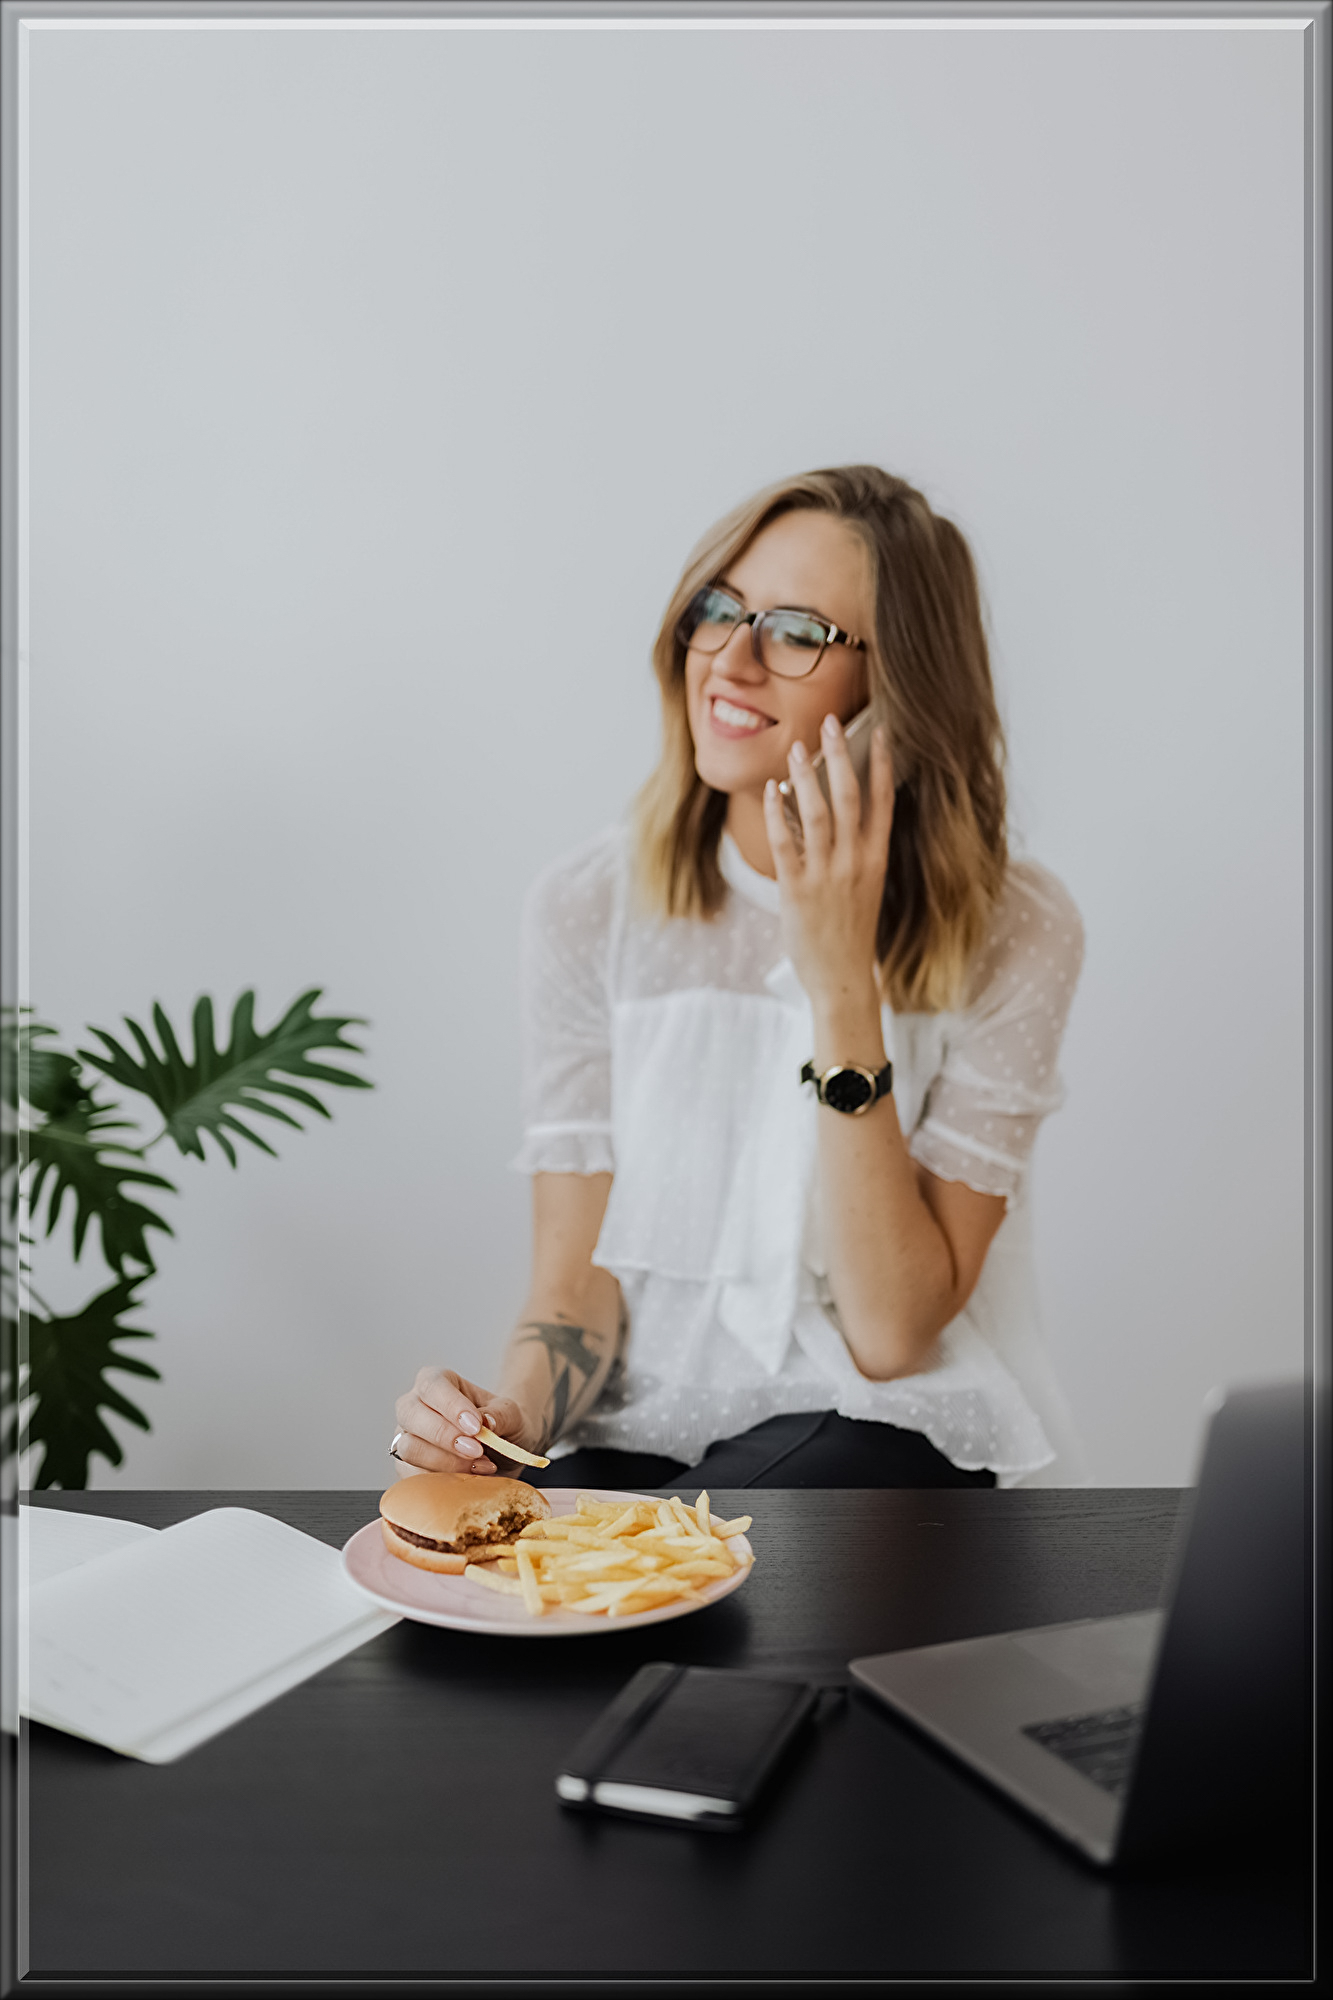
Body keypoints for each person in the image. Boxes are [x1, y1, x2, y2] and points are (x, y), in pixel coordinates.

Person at [390, 465, 1087, 1491]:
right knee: (515, 1584)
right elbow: (575, 1281)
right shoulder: (588, 905)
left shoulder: (1015, 926)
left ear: (890, 688)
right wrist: (507, 1423)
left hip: (876, 1423)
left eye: (797, 631)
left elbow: (892, 1330)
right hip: (644, 1425)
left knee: (737, 1540)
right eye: (719, 610)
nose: (731, 657)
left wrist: (840, 978)